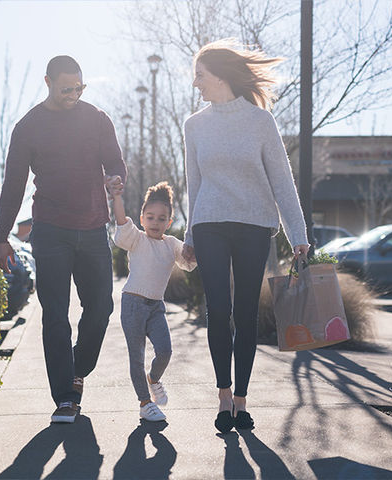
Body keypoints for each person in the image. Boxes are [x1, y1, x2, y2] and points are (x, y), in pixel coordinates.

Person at [182, 39, 310, 433]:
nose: (196, 83)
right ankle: (224, 398)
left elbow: (282, 183)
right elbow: (194, 183)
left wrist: (298, 233)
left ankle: (242, 400)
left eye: (200, 75)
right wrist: (189, 234)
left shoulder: (260, 122)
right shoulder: (194, 125)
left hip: (255, 226)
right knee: (218, 311)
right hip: (209, 226)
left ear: (220, 74)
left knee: (246, 313)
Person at [0, 55, 127, 424]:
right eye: (66, 88)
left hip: (93, 227)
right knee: (55, 314)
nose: (73, 94)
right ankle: (65, 397)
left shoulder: (98, 119)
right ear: (48, 82)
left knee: (100, 309)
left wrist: (116, 179)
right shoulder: (29, 126)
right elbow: (13, 184)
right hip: (50, 230)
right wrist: (0, 236)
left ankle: (76, 367)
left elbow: (115, 162)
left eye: (79, 87)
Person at [106, 176, 196, 422]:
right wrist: (116, 197)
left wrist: (195, 245)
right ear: (143, 216)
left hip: (156, 306)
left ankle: (153, 379)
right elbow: (122, 221)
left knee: (165, 350)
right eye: (150, 217)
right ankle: (145, 403)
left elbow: (189, 261)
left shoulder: (172, 245)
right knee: (137, 357)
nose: (155, 222)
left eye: (161, 218)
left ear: (169, 222)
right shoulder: (136, 238)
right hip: (133, 304)